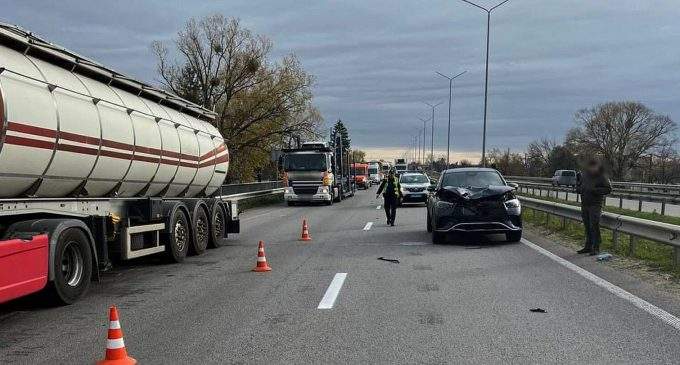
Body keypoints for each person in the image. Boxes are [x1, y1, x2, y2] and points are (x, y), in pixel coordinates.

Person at [576, 158, 612, 255]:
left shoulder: (602, 176)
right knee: (587, 226)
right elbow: (579, 188)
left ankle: (596, 247)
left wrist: (595, 190)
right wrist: (579, 186)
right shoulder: (585, 176)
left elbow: (608, 189)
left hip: (595, 204)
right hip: (585, 204)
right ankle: (588, 246)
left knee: (594, 226)